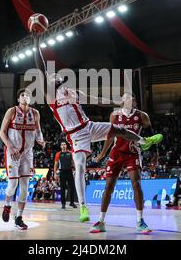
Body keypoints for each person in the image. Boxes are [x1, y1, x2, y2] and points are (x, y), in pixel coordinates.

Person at [34, 42, 162, 222]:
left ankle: (144, 141)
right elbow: (40, 68)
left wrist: (116, 103)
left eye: (55, 75)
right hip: (75, 135)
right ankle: (83, 208)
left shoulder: (72, 92)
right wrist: (36, 42)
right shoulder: (50, 96)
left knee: (120, 129)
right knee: (79, 166)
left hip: (89, 126)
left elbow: (96, 100)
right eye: (51, 76)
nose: (53, 76)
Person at [90, 92, 162, 234]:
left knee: (136, 183)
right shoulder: (114, 115)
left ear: (134, 102)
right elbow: (110, 135)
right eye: (125, 98)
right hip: (116, 153)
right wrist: (102, 154)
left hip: (132, 152)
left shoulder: (142, 116)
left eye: (131, 98)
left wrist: (154, 151)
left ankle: (140, 221)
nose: (128, 100)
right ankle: (101, 221)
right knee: (109, 186)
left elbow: (152, 135)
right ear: (121, 101)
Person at [0, 89, 45, 230]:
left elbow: (38, 130)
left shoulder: (35, 113)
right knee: (12, 186)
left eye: (28, 96)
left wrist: (41, 140)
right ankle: (7, 205)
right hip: (13, 152)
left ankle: (19, 217)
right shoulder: (12, 111)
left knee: (25, 188)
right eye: (23, 95)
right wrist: (10, 147)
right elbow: (2, 132)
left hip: (27, 153)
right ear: (18, 99)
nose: (26, 97)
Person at [54, 142, 77, 209]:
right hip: (62, 172)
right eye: (62, 145)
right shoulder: (58, 154)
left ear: (66, 146)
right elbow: (56, 164)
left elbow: (73, 162)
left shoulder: (70, 153)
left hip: (69, 171)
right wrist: (55, 173)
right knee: (63, 189)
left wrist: (76, 169)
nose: (63, 146)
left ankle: (72, 203)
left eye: (64, 144)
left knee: (72, 187)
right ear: (61, 146)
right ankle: (63, 204)